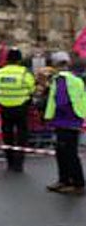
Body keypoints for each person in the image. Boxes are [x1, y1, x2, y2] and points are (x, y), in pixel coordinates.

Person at [44, 51, 85, 196]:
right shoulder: (76, 79)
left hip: (64, 120)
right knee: (66, 152)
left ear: (55, 64)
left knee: (66, 153)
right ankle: (65, 181)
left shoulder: (61, 79)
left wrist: (50, 116)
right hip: (74, 119)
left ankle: (75, 183)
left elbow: (60, 101)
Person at [0, 48, 36, 173]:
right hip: (21, 107)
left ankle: (10, 162)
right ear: (19, 59)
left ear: (7, 59)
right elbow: (31, 88)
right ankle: (19, 163)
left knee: (7, 135)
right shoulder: (25, 73)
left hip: (4, 107)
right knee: (22, 135)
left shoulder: (0, 72)